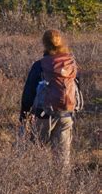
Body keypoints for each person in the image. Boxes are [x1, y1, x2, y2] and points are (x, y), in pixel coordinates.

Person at [20, 29, 79, 168]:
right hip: (67, 114)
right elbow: (77, 88)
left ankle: (38, 185)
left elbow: (29, 93)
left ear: (44, 43)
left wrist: (24, 115)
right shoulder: (71, 63)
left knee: (36, 152)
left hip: (43, 114)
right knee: (62, 157)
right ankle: (62, 186)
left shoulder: (40, 65)